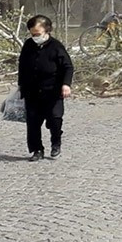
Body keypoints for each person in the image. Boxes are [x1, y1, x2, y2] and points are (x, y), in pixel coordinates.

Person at [17, 14, 73, 161]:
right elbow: (22, 66)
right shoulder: (28, 45)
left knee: (55, 119)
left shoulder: (56, 46)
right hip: (32, 91)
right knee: (33, 122)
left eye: (38, 34)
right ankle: (37, 150)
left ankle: (56, 142)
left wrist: (66, 84)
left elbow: (67, 66)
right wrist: (21, 87)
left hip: (52, 91)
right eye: (32, 34)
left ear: (47, 30)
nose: (35, 36)